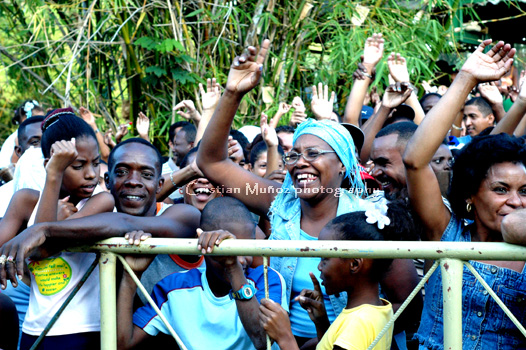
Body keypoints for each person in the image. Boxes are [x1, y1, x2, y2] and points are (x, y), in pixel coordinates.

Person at [196, 39, 420, 347]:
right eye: (294, 154)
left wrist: (336, 336)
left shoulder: (367, 220)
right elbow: (211, 161)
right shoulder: (278, 201)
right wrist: (233, 92)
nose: (301, 162)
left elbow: (405, 304)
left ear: (342, 165)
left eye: (314, 153)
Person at [402, 39, 526, 349]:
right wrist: (466, 78)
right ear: (470, 195)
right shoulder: (448, 232)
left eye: (525, 191)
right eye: (501, 190)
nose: (515, 201)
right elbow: (415, 161)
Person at [0, 137, 200, 291]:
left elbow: (123, 222)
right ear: (107, 180)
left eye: (146, 175)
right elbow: (41, 254)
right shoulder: (94, 219)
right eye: (122, 172)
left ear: (159, 185)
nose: (133, 181)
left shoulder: (184, 214)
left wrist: (41, 229)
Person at [117, 197, 287, 350]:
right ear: (204, 243)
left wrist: (232, 266)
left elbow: (262, 341)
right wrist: (130, 276)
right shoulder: (174, 287)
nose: (241, 260)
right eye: (229, 248)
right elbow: (122, 343)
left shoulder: (266, 279)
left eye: (245, 248)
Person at [259, 201, 416, 350]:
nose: (319, 266)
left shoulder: (358, 323)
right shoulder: (376, 309)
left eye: (325, 259)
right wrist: (321, 323)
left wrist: (285, 337)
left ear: (354, 264)